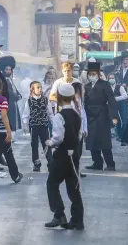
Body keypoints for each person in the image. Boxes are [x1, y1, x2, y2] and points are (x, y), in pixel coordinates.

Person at [44, 83, 84, 230]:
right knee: (73, 188)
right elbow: (79, 135)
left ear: (59, 98)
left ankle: (59, 214)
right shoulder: (77, 115)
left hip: (61, 155)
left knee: (52, 184)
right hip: (74, 155)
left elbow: (58, 137)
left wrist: (50, 142)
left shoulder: (59, 116)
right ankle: (77, 220)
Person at [83, 62, 118, 171]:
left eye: (94, 74)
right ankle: (97, 163)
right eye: (90, 74)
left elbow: (111, 101)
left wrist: (114, 116)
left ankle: (110, 164)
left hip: (102, 115)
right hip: (90, 115)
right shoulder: (87, 86)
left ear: (98, 74)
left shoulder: (105, 84)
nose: (92, 76)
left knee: (104, 141)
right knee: (92, 140)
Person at [22, 81, 54, 172]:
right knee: (34, 145)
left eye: (40, 87)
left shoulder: (45, 100)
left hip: (44, 125)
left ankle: (50, 162)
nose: (40, 89)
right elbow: (26, 114)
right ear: (32, 89)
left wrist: (54, 123)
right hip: (34, 126)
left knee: (46, 144)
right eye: (37, 87)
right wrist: (25, 124)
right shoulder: (29, 101)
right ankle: (36, 163)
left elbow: (50, 113)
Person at [0, 56, 22, 132]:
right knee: (10, 120)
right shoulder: (3, 79)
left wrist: (19, 95)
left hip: (13, 103)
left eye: (9, 69)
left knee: (13, 120)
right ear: (3, 70)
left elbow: (14, 89)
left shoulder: (10, 79)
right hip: (8, 103)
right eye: (7, 69)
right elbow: (8, 91)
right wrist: (16, 97)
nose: (8, 71)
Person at [107, 73, 128, 146]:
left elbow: (125, 96)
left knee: (123, 122)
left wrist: (116, 98)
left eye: (112, 78)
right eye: (110, 78)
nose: (111, 79)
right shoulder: (107, 87)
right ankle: (119, 136)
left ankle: (123, 138)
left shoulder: (119, 87)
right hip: (112, 107)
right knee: (116, 122)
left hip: (121, 106)